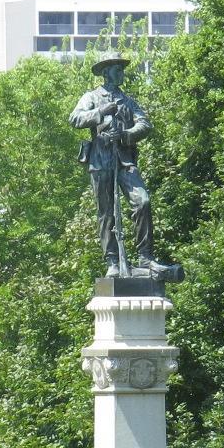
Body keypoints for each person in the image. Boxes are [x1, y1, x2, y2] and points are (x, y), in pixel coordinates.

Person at [70, 53, 181, 280]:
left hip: (124, 161)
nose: (121, 72)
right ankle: (112, 260)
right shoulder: (92, 97)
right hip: (101, 161)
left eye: (122, 68)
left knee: (143, 201)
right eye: (117, 69)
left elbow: (145, 124)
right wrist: (100, 112)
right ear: (105, 72)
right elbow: (75, 119)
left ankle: (145, 257)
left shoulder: (128, 101)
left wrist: (126, 135)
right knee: (107, 214)